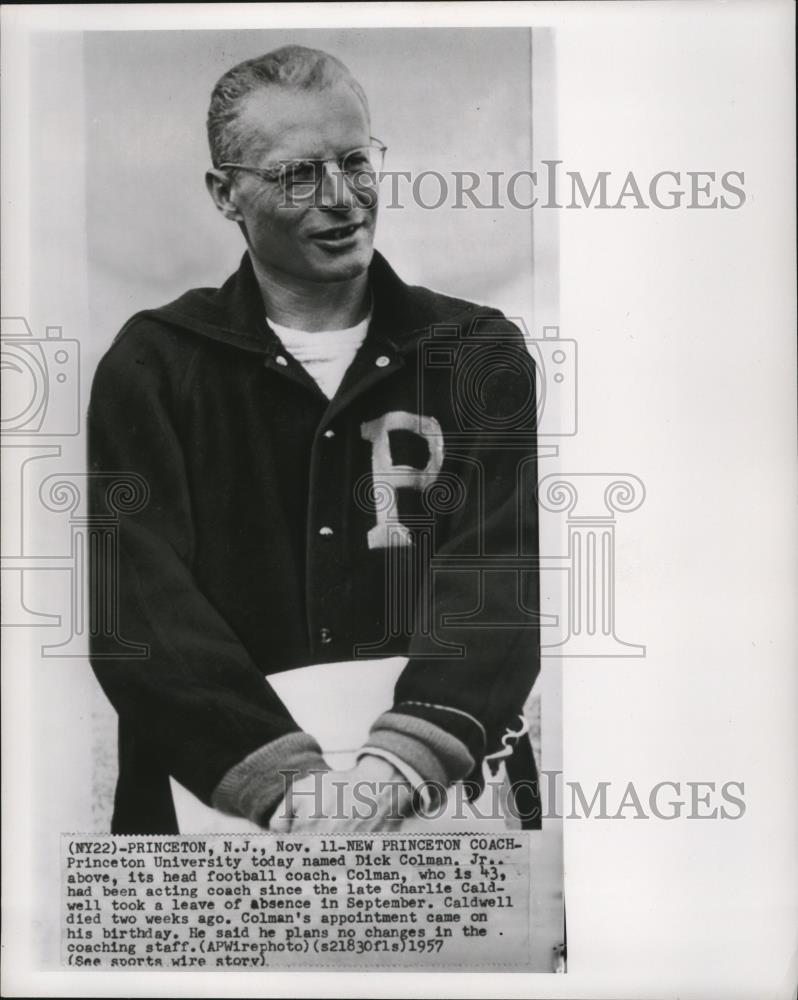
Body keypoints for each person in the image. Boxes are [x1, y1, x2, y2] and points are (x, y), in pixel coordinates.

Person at [88, 45, 541, 835]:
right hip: (217, 808)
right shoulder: (154, 364)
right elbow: (141, 609)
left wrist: (397, 767)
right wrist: (288, 786)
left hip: (442, 802)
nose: (343, 198)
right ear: (226, 194)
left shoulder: (475, 351)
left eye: (357, 162)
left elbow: (501, 576)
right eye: (300, 175)